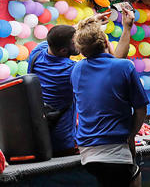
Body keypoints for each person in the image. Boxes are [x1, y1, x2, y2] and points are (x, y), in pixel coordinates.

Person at [27, 10, 131, 157]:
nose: (79, 42)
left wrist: (89, 22)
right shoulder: (73, 70)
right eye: (75, 42)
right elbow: (118, 64)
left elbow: (59, 35)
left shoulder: (38, 52)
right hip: (62, 143)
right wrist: (127, 28)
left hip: (37, 135)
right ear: (64, 50)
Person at [71, 13, 148, 187]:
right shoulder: (124, 67)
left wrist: (89, 22)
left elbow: (113, 65)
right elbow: (141, 109)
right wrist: (131, 136)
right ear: (106, 43)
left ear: (81, 49)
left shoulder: (77, 69)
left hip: (87, 152)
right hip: (115, 153)